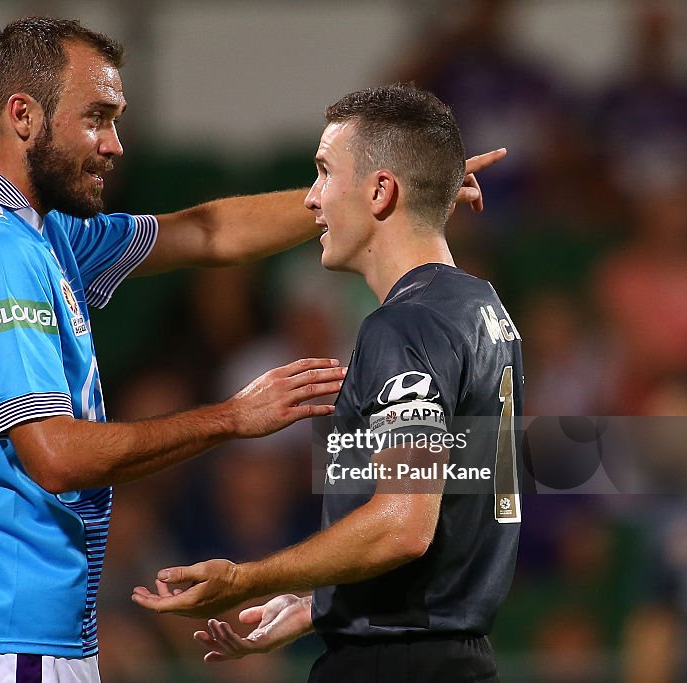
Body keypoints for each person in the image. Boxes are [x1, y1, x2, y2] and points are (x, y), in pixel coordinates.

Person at [0, 17, 501, 683]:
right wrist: (231, 418)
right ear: (23, 115)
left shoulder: (14, 230)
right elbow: (56, 456)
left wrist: (392, 187)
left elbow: (208, 232)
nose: (114, 144)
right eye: (96, 117)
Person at [132, 84, 524, 683]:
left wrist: (247, 578)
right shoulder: (483, 309)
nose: (311, 200)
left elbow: (402, 525)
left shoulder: (405, 326)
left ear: (380, 190)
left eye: (322, 172)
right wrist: (324, 603)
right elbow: (453, 516)